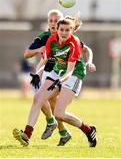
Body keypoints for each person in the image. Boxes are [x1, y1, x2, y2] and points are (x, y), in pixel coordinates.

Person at [13, 18, 97, 147]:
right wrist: (38, 73)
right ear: (56, 30)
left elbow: (69, 71)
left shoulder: (74, 43)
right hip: (57, 72)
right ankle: (27, 135)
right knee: (38, 97)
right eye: (61, 29)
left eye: (67, 30)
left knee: (59, 114)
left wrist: (60, 81)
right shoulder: (51, 40)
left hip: (74, 75)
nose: (64, 32)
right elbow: (46, 60)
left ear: (72, 31)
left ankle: (88, 130)